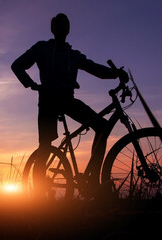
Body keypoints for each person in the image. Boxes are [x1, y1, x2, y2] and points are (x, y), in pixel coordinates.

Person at [11, 13, 127, 198]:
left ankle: (93, 180)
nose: (60, 26)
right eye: (57, 23)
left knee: (102, 127)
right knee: (45, 147)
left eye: (63, 23)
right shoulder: (43, 47)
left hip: (67, 100)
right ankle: (39, 197)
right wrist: (31, 84)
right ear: (52, 28)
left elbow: (94, 68)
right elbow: (17, 65)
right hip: (48, 99)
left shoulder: (73, 55)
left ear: (68, 29)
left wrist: (115, 73)